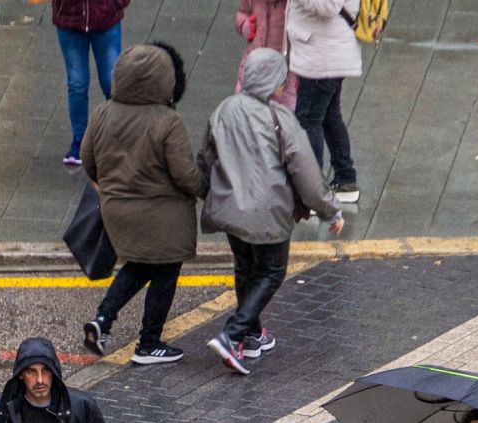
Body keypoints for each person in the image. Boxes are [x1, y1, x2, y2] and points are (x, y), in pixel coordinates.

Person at [198, 49, 343, 375]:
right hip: (269, 212)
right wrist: (330, 210)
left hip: (230, 210)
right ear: (273, 82)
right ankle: (233, 333)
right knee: (270, 272)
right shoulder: (280, 118)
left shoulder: (224, 109)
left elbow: (204, 159)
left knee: (245, 269)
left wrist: (208, 194)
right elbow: (306, 171)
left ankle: (251, 335)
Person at [80, 42, 204, 366]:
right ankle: (149, 343)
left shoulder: (102, 112)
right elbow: (185, 174)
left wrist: (110, 187)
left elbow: (88, 161)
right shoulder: (167, 120)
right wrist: (206, 188)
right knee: (165, 269)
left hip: (116, 210)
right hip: (163, 214)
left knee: (138, 265)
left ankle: (104, 319)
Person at [286, 0, 363, 203]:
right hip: (324, 49)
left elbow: (329, 6)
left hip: (323, 55)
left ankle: (313, 192)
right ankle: (346, 180)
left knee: (308, 120)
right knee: (329, 116)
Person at [52, 0, 128, 167]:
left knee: (111, 82)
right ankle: (80, 140)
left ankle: (116, 137)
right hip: (69, 20)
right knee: (77, 83)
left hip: (105, 19)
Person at [234, 0, 296, 110]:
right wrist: (244, 24)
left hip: (283, 66)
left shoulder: (292, 4)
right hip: (254, 61)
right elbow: (242, 12)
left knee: (283, 111)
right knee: (246, 109)